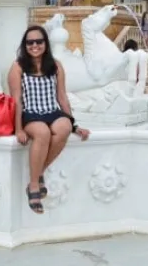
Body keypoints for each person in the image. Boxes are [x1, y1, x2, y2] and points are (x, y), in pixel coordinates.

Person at [10, 25, 90, 214]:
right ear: (25, 45)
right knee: (43, 133)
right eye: (30, 42)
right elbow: (16, 100)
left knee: (63, 128)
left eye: (39, 41)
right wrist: (19, 129)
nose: (35, 45)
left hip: (52, 111)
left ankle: (34, 178)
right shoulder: (18, 67)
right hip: (30, 113)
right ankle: (35, 185)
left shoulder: (55, 65)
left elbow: (62, 96)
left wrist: (73, 124)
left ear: (45, 43)